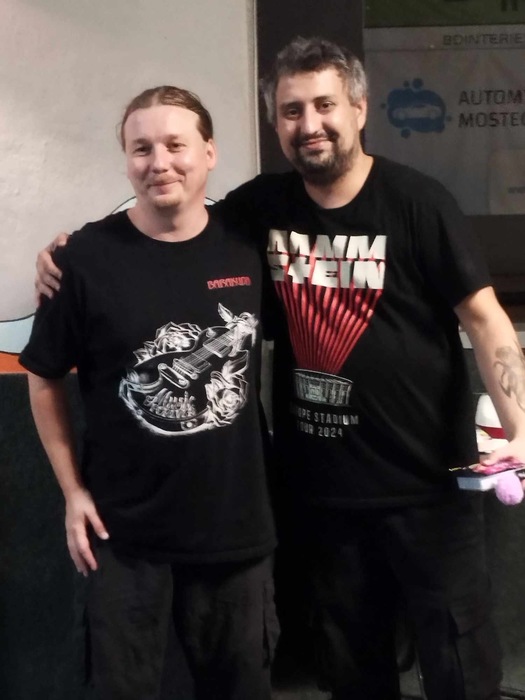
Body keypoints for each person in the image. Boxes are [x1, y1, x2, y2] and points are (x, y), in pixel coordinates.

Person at [35, 38, 525, 700]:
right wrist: (70, 247)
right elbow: (169, 213)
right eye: (292, 111)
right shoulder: (259, 209)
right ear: (276, 123)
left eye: (325, 105)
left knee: (460, 668)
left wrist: (520, 427)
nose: (309, 124)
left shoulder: (418, 201)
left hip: (428, 487)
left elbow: (486, 319)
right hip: (320, 496)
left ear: (359, 108)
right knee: (351, 672)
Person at [21, 86, 278, 700]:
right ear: (127, 161)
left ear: (209, 153)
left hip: (235, 533)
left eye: (175, 145)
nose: (159, 162)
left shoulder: (251, 245)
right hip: (122, 537)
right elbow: (43, 375)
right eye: (141, 149)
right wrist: (72, 493)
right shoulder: (83, 258)